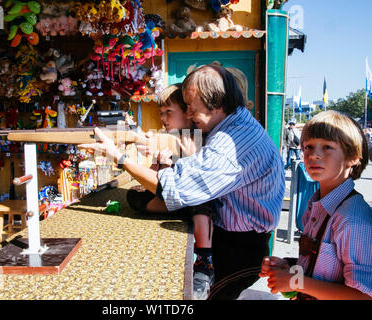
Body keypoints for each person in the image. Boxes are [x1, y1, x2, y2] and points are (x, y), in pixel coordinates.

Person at [79, 64, 285, 300]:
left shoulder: (231, 143)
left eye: (191, 107)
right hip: (233, 242)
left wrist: (119, 158)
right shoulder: (228, 127)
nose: (188, 114)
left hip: (238, 251)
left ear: (216, 104)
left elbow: (174, 188)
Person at [260, 110, 372, 300]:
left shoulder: (351, 218)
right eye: (308, 147)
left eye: (327, 147)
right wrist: (287, 268)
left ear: (353, 158)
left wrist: (295, 282)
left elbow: (361, 295)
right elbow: (322, 269)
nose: (314, 155)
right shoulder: (317, 205)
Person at [125, 83, 216, 300]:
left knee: (199, 199)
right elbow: (157, 180)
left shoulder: (196, 139)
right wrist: (159, 163)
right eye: (160, 113)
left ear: (188, 112)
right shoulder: (174, 137)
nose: (163, 118)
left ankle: (205, 260)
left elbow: (192, 182)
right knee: (133, 195)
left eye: (169, 112)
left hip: (198, 204)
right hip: (176, 198)